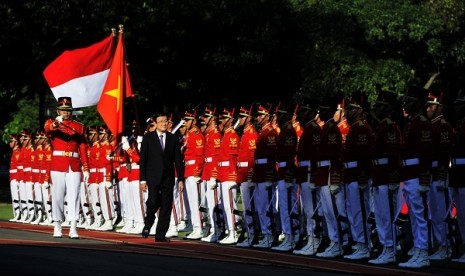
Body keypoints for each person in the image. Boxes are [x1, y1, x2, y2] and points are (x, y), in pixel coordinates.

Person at [398, 86, 434, 268]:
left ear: (418, 104)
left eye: (410, 101)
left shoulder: (421, 123)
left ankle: (423, 252)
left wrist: (424, 177)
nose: (406, 105)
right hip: (409, 174)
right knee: (414, 215)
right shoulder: (412, 122)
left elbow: (426, 153)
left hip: (417, 175)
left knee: (420, 216)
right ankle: (418, 250)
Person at [44, 96, 90, 239]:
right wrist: (55, 124)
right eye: (63, 110)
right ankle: (57, 225)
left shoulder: (79, 126)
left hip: (74, 164)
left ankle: (73, 227)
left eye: (68, 110)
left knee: (74, 196)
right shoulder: (52, 123)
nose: (66, 113)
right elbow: (47, 130)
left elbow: (82, 147)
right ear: (58, 110)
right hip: (58, 164)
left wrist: (86, 167)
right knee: (57, 196)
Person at [368, 90, 402, 265]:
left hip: (386, 177)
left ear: (387, 108)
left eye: (380, 106)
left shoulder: (389, 127)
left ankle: (391, 248)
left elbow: (393, 153)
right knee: (381, 215)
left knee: (387, 216)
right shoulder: (382, 126)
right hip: (379, 176)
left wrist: (392, 176)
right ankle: (386, 247)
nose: (376, 109)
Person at [140, 113, 185, 242]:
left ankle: (160, 235)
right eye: (161, 122)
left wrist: (180, 178)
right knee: (153, 202)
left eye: (165, 121)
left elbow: (178, 160)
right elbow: (143, 160)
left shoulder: (173, 138)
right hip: (153, 176)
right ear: (156, 123)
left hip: (168, 177)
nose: (164, 124)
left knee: (166, 206)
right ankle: (149, 222)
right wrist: (142, 179)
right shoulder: (148, 138)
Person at [426, 92, 454, 260]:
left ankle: (447, 246)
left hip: (439, 175)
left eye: (431, 106)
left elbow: (445, 152)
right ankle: (441, 245)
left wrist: (443, 175)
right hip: (432, 174)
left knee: (442, 213)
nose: (428, 109)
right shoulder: (431, 126)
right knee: (435, 214)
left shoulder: (442, 126)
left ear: (439, 107)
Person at [8, 134, 22, 222]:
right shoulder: (14, 152)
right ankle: (16, 213)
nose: (10, 143)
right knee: (14, 197)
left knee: (17, 197)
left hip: (16, 178)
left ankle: (18, 213)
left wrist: (18, 179)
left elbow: (20, 167)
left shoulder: (18, 152)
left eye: (11, 141)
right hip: (13, 177)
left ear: (16, 142)